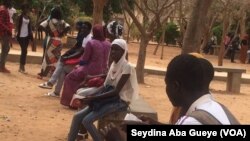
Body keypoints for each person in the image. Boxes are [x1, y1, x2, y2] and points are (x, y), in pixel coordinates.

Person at [67, 39, 139, 141]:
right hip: (109, 98)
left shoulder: (127, 67)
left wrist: (93, 98)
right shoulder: (113, 65)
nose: (113, 52)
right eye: (112, 49)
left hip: (120, 101)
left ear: (123, 52)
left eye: (116, 50)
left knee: (87, 121)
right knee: (77, 117)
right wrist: (88, 97)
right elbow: (105, 86)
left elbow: (116, 91)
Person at [60, 24, 111, 107]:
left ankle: (70, 101)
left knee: (69, 78)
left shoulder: (91, 43)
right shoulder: (108, 44)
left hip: (89, 70)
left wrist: (78, 65)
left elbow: (84, 60)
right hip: (103, 71)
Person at [38, 21, 92, 97]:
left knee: (62, 65)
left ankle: (51, 84)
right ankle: (55, 91)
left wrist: (68, 57)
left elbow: (80, 52)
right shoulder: (85, 37)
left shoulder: (88, 38)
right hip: (82, 61)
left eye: (85, 28)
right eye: (82, 28)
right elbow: (77, 49)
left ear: (90, 29)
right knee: (62, 65)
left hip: (84, 65)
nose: (82, 29)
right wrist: (66, 54)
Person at [37, 7, 70, 78]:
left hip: (51, 40)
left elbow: (40, 26)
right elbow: (68, 27)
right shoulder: (63, 22)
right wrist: (62, 33)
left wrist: (47, 31)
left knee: (47, 57)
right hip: (59, 41)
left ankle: (44, 73)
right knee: (57, 57)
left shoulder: (49, 21)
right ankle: (54, 74)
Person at [16, 3, 34, 73]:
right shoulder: (20, 16)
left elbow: (29, 28)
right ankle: (22, 67)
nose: (27, 9)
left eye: (27, 8)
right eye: (25, 8)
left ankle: (21, 67)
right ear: (23, 9)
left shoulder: (28, 17)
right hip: (21, 36)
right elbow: (17, 25)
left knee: (24, 51)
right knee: (24, 50)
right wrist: (16, 34)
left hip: (26, 36)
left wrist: (31, 37)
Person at [0, 0, 12, 73]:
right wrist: (7, 29)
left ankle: (1, 65)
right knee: (5, 49)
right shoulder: (4, 10)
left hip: (4, 32)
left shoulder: (2, 8)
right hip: (4, 33)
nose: (11, 4)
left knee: (5, 49)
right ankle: (2, 67)